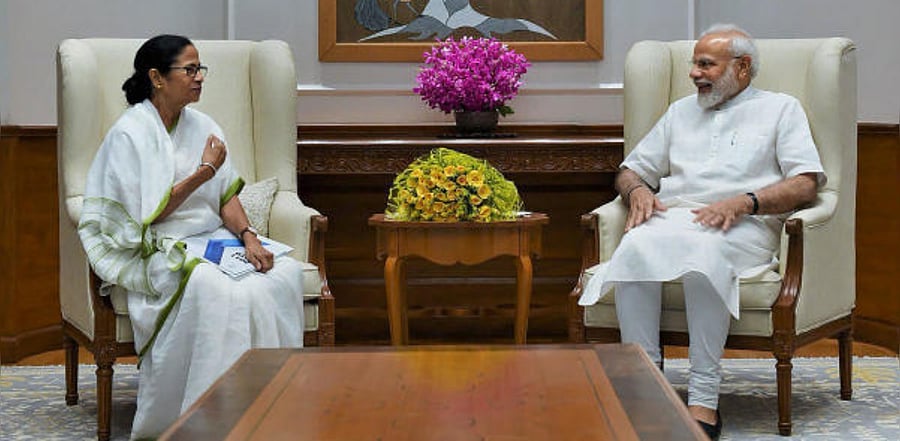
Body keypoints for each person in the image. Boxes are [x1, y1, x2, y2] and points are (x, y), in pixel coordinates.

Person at [578, 24, 825, 440]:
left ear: (743, 68)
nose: (693, 73)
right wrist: (637, 189)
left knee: (703, 257)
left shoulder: (782, 109)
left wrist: (745, 201)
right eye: (694, 63)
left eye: (705, 64)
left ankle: (703, 401)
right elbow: (630, 170)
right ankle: (645, 388)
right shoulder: (680, 111)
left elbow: (806, 182)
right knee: (635, 244)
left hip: (743, 225)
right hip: (675, 219)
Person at [78, 34, 307, 439]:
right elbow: (145, 217)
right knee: (217, 290)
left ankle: (270, 408)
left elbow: (226, 195)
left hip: (211, 237)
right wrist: (203, 171)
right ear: (157, 77)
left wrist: (250, 237)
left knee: (279, 276)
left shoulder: (204, 125)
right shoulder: (129, 134)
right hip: (156, 246)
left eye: (201, 69)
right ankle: (208, 420)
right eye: (190, 69)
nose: (200, 77)